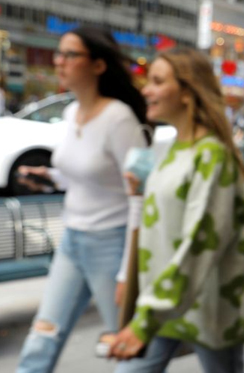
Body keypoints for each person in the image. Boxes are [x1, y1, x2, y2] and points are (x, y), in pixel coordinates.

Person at [109, 48, 244, 373]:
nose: (146, 89)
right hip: (165, 303)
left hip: (207, 310)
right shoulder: (176, 147)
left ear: (187, 92)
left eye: (158, 81)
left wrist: (145, 319)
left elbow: (200, 241)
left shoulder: (212, 156)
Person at [16, 27, 150, 373]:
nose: (60, 62)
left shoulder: (119, 117)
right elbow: (85, 175)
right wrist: (46, 179)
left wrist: (126, 271)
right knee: (41, 337)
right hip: (72, 241)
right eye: (59, 54)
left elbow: (139, 193)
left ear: (98, 65)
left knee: (127, 347)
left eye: (70, 55)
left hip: (111, 243)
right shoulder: (70, 113)